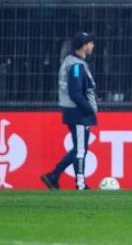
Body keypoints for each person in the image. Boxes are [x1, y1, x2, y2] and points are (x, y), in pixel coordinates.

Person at [42, 32, 98, 191]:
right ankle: (80, 184)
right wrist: (89, 109)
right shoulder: (76, 66)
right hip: (78, 112)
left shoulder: (71, 61)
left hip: (74, 110)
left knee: (79, 148)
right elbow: (75, 92)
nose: (93, 46)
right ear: (84, 45)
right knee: (80, 149)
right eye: (91, 43)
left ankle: (53, 176)